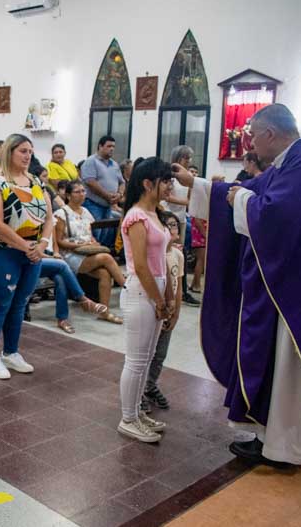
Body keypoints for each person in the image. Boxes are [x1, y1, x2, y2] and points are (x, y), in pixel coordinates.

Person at [172, 103, 301, 468]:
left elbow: (275, 214)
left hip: (295, 295)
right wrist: (195, 184)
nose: (251, 145)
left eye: (254, 137)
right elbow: (250, 188)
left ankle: (286, 450)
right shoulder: (291, 163)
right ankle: (271, 439)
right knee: (278, 367)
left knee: (291, 368)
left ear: (271, 134)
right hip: (285, 288)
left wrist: (241, 199)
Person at [0, 133, 50, 379]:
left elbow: (49, 216)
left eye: (30, 151)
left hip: (31, 251)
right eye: (23, 151)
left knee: (19, 303)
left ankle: (11, 352)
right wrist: (25, 246)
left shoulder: (35, 181)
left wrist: (43, 243)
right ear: (9, 152)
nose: (28, 156)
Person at [117, 157, 173, 443]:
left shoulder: (156, 214)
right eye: (165, 180)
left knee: (148, 357)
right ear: (147, 183)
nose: (169, 186)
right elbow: (140, 264)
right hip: (141, 290)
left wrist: (168, 296)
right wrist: (159, 301)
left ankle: (138, 412)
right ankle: (128, 418)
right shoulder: (135, 216)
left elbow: (162, 259)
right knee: (137, 360)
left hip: (155, 289)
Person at [55, 180, 126, 324]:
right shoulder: (61, 214)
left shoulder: (86, 212)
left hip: (87, 253)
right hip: (70, 255)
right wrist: (77, 246)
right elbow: (59, 241)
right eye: (77, 192)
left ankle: (104, 312)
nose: (82, 194)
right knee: (106, 257)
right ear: (68, 195)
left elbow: (89, 234)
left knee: (105, 273)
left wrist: (93, 242)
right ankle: (128, 288)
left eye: (83, 191)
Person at [140, 210, 183, 413]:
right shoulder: (153, 255)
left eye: (175, 225)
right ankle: (138, 392)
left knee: (160, 355)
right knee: (145, 353)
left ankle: (150, 386)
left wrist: (175, 314)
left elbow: (178, 287)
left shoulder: (178, 255)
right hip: (155, 309)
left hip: (169, 311)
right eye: (169, 225)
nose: (173, 229)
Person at [165, 146, 201, 308]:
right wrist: (186, 203)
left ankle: (182, 288)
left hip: (180, 219)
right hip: (168, 217)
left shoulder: (186, 177)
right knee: (171, 253)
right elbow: (168, 197)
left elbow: (189, 197)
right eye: (186, 158)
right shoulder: (170, 176)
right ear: (179, 158)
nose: (189, 162)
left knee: (181, 253)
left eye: (190, 159)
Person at [81, 136, 124, 247]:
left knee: (105, 233)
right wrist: (107, 195)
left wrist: (119, 194)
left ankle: (102, 256)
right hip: (93, 204)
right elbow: (90, 182)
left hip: (108, 205)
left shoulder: (114, 164)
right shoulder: (91, 161)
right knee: (95, 234)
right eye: (109, 146)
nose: (112, 149)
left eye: (113, 147)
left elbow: (122, 182)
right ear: (100, 146)